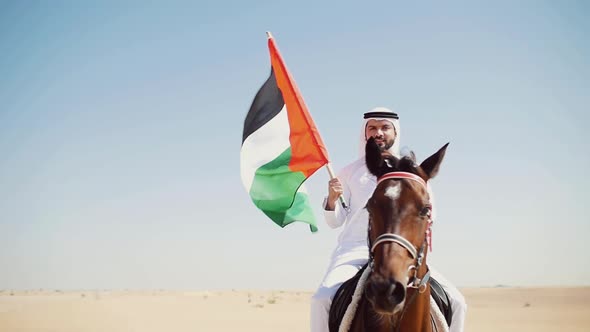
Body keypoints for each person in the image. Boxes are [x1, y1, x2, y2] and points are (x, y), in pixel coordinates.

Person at [310, 107, 467, 332]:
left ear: (395, 131)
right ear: (364, 133)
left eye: (385, 127)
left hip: (404, 252)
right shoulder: (348, 172)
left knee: (458, 303)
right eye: (372, 127)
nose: (378, 133)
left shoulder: (413, 175)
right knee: (321, 300)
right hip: (353, 251)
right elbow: (335, 221)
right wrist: (333, 200)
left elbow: (428, 216)